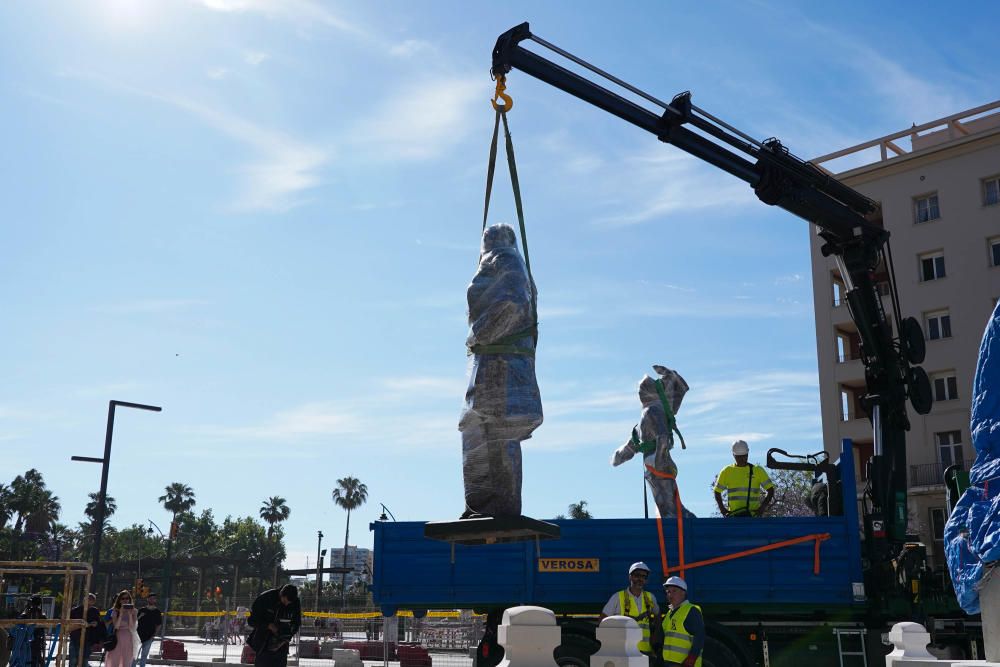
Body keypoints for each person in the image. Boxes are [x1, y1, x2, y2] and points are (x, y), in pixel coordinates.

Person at [459, 223, 543, 518]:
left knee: (496, 433)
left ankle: (497, 508)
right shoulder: (501, 260)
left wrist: (479, 333)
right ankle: (482, 506)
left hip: (502, 368)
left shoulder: (504, 257)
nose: (487, 239)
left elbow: (514, 301)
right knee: (480, 432)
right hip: (493, 366)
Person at [612, 365, 690, 517]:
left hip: (658, 464)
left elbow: (663, 437)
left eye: (642, 389)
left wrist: (659, 460)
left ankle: (685, 524)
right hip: (655, 466)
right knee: (668, 506)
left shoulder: (653, 411)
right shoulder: (647, 416)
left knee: (669, 507)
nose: (640, 392)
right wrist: (618, 456)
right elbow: (632, 444)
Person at [600, 562, 659, 657]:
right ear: (630, 577)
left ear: (646, 580)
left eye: (643, 576)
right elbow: (602, 621)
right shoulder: (618, 597)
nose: (640, 579)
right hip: (624, 653)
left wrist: (655, 635)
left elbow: (658, 616)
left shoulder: (650, 598)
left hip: (645, 652)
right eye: (637, 575)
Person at [713, 440, 774, 517]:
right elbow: (717, 491)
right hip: (734, 517)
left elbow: (770, 490)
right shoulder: (727, 471)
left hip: (752, 517)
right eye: (739, 457)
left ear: (747, 454)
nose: (742, 459)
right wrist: (722, 509)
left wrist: (762, 507)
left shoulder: (757, 470)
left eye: (744, 456)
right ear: (733, 455)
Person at [247, 584, 301, 667]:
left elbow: (296, 623)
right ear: (281, 594)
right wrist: (268, 625)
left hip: (282, 649)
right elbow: (251, 621)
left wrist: (285, 639)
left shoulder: (295, 602)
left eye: (289, 603)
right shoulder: (266, 598)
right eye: (284, 601)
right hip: (263, 646)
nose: (286, 605)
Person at [661, 577, 704, 667]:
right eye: (668, 592)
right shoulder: (669, 613)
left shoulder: (691, 611)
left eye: (674, 591)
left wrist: (691, 659)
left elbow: (700, 637)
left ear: (683, 592)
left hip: (686, 664)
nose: (670, 595)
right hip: (669, 663)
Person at [105, 590, 140, 667]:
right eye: (123, 598)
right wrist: (120, 614)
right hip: (117, 638)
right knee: (114, 661)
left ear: (129, 599)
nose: (125, 600)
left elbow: (132, 627)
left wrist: (130, 615)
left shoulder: (134, 611)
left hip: (129, 638)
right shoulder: (115, 611)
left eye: (127, 598)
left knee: (126, 662)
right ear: (119, 600)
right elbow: (116, 626)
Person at [69, 593, 101, 667]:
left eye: (91, 601)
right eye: (88, 600)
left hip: (88, 640)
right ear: (84, 600)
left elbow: (98, 623)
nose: (89, 603)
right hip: (75, 638)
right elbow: (70, 625)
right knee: (73, 660)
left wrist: (94, 624)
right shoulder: (75, 610)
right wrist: (82, 624)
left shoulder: (95, 611)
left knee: (85, 661)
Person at [133, 593, 162, 667]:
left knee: (144, 655)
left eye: (154, 598)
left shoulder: (157, 612)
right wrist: (140, 616)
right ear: (147, 599)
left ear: (155, 600)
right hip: (138, 636)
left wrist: (154, 635)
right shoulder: (142, 610)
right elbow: (135, 621)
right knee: (135, 654)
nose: (152, 600)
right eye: (150, 598)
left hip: (149, 637)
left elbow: (159, 625)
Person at [19, 595, 46, 667]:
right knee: (36, 655)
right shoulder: (40, 613)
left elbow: (20, 619)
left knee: (31, 655)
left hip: (30, 637)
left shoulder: (29, 612)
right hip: (36, 638)